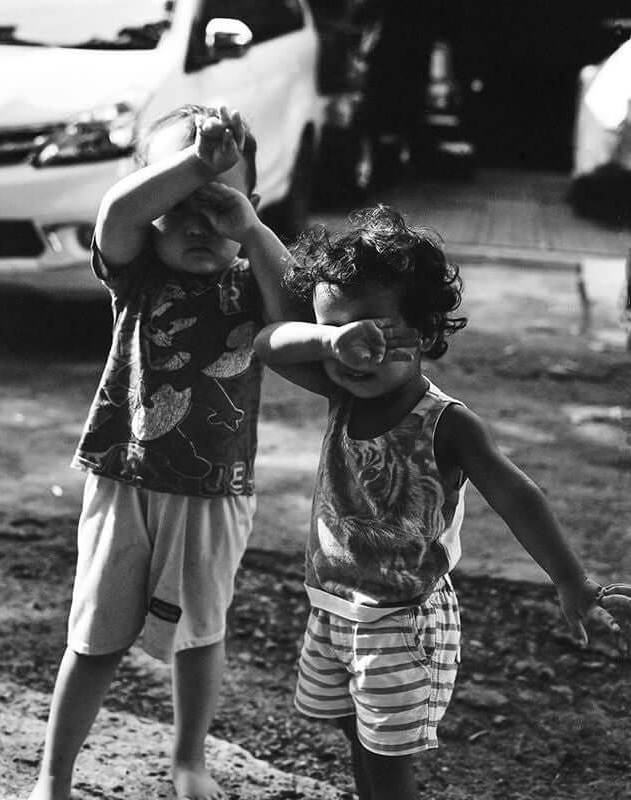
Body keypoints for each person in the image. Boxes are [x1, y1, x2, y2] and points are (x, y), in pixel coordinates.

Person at [253, 205, 631, 800]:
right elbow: (269, 344)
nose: (355, 353)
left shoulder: (448, 423)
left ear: (425, 333)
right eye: (338, 337)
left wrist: (572, 581)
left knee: (388, 756)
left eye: (372, 333)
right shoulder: (341, 392)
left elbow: (517, 495)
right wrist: (326, 338)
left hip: (402, 620)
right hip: (334, 607)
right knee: (355, 733)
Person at [29, 104, 295, 800]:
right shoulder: (137, 275)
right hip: (123, 479)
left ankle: (188, 760)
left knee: (199, 635)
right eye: (177, 203)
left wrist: (255, 233)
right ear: (154, 207)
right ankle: (53, 777)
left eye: (219, 202)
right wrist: (193, 166)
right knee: (94, 638)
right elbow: (116, 213)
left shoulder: (251, 283)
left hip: (215, 491)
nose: (199, 222)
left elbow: (299, 313)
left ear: (251, 207)